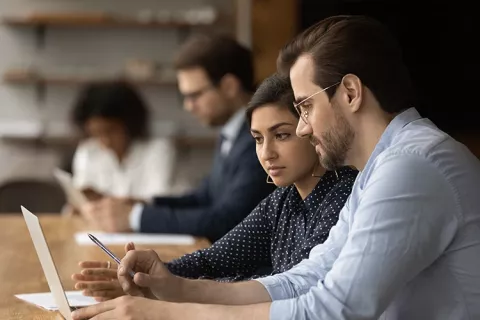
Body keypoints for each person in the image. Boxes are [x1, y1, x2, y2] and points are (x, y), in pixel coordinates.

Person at [71, 15, 480, 320]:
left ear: (351, 93)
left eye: (304, 107)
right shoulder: (383, 167)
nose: (303, 126)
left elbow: (334, 310)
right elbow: (305, 278)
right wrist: (176, 290)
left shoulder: (412, 167)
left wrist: (167, 314)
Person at [71, 74, 357, 300]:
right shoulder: (282, 200)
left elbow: (294, 291)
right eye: (257, 139)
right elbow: (214, 260)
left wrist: (169, 288)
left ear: (310, 128)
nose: (266, 153)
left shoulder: (343, 194)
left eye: (281, 135)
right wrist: (150, 274)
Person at [80, 35, 275, 240]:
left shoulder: (259, 139)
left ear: (228, 86)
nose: (188, 106)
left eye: (195, 95)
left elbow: (228, 220)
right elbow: (205, 197)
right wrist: (142, 205)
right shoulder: (232, 133)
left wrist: (135, 217)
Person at [71, 81, 175, 202]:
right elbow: (81, 195)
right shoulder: (88, 151)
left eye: (111, 131)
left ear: (130, 125)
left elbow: (157, 203)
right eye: (96, 133)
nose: (105, 140)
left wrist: (106, 202)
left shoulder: (158, 151)